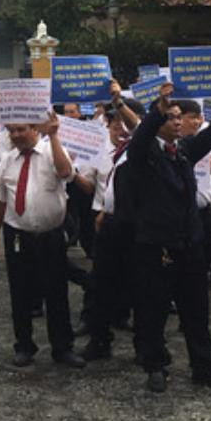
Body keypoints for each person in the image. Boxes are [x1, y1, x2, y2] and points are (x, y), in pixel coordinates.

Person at [116, 81, 211, 392]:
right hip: (156, 244)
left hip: (190, 242)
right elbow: (142, 135)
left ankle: (203, 366)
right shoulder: (142, 153)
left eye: (176, 118)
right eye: (169, 117)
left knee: (196, 309)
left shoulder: (183, 150)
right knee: (154, 308)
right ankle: (155, 365)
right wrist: (156, 112)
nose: (174, 122)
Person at [0, 111, 84, 369]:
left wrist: (53, 135)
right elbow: (0, 200)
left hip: (50, 237)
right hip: (17, 235)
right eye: (12, 131)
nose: (16, 135)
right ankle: (24, 346)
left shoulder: (53, 151)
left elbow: (66, 173)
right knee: (20, 293)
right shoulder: (7, 160)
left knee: (56, 293)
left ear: (35, 129)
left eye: (22, 129)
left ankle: (62, 348)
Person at [79, 98, 140, 362]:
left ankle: (136, 334)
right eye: (116, 125)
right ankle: (98, 336)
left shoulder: (143, 153)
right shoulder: (99, 151)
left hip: (135, 222)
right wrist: (72, 174)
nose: (121, 130)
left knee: (138, 280)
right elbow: (89, 186)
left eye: (126, 124)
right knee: (100, 279)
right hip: (103, 221)